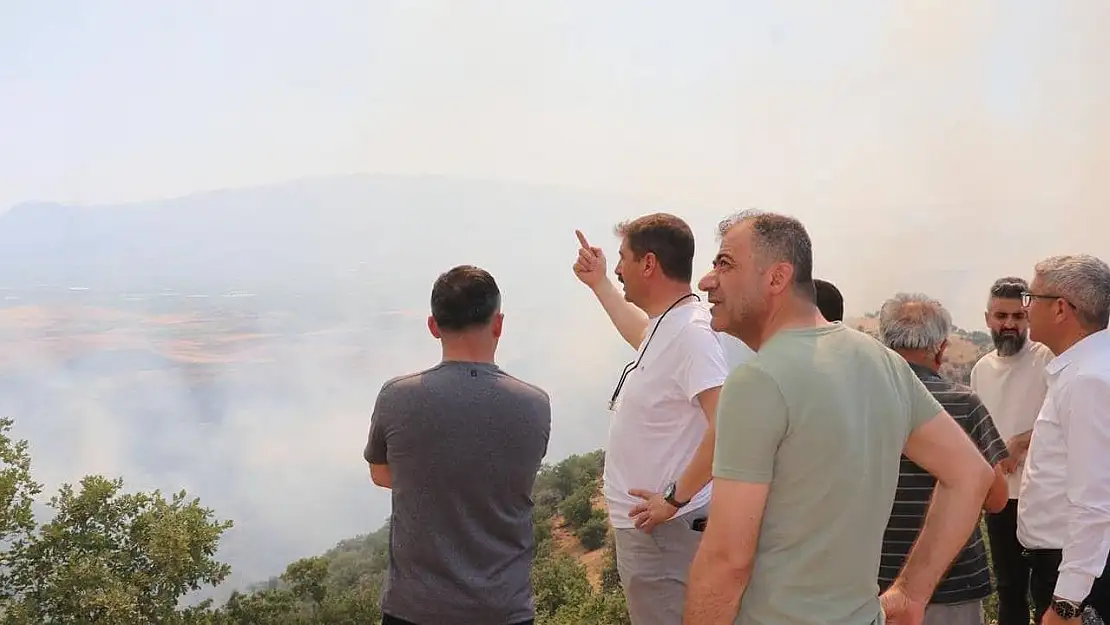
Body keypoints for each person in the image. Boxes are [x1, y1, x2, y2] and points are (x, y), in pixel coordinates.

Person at [681, 209, 995, 625]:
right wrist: (911, 593)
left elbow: (727, 559)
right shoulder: (881, 361)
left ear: (776, 278)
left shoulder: (757, 381)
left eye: (725, 263)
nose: (707, 280)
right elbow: (972, 474)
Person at [572, 213, 754, 625]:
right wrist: (600, 283)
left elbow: (728, 426)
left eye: (623, 259)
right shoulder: (669, 325)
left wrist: (674, 499)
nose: (618, 268)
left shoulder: (692, 334)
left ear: (649, 264)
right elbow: (643, 336)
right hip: (654, 533)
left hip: (664, 536)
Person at [363, 265, 552, 625]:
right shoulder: (534, 403)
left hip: (414, 609)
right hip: (503, 609)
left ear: (433, 326)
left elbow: (382, 474)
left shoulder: (397, 396)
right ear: (498, 324)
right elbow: (517, 478)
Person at [877, 292, 1011, 625]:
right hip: (954, 583)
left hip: (873, 582)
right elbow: (996, 499)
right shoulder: (963, 404)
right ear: (940, 347)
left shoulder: (858, 399)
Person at [1016, 254, 1110, 625]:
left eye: (1031, 297)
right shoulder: (1085, 370)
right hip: (1072, 564)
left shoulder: (1088, 379)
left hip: (1077, 572)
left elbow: (1096, 498)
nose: (1025, 309)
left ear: (1059, 309)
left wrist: (1067, 602)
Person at [970, 276, 1055, 625]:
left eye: (1017, 317)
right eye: (1001, 316)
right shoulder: (980, 370)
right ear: (988, 318)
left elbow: (1066, 421)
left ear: (1029, 317)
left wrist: (1020, 442)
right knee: (1008, 589)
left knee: (1049, 590)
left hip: (1046, 497)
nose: (1009, 324)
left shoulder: (1048, 359)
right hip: (1001, 497)